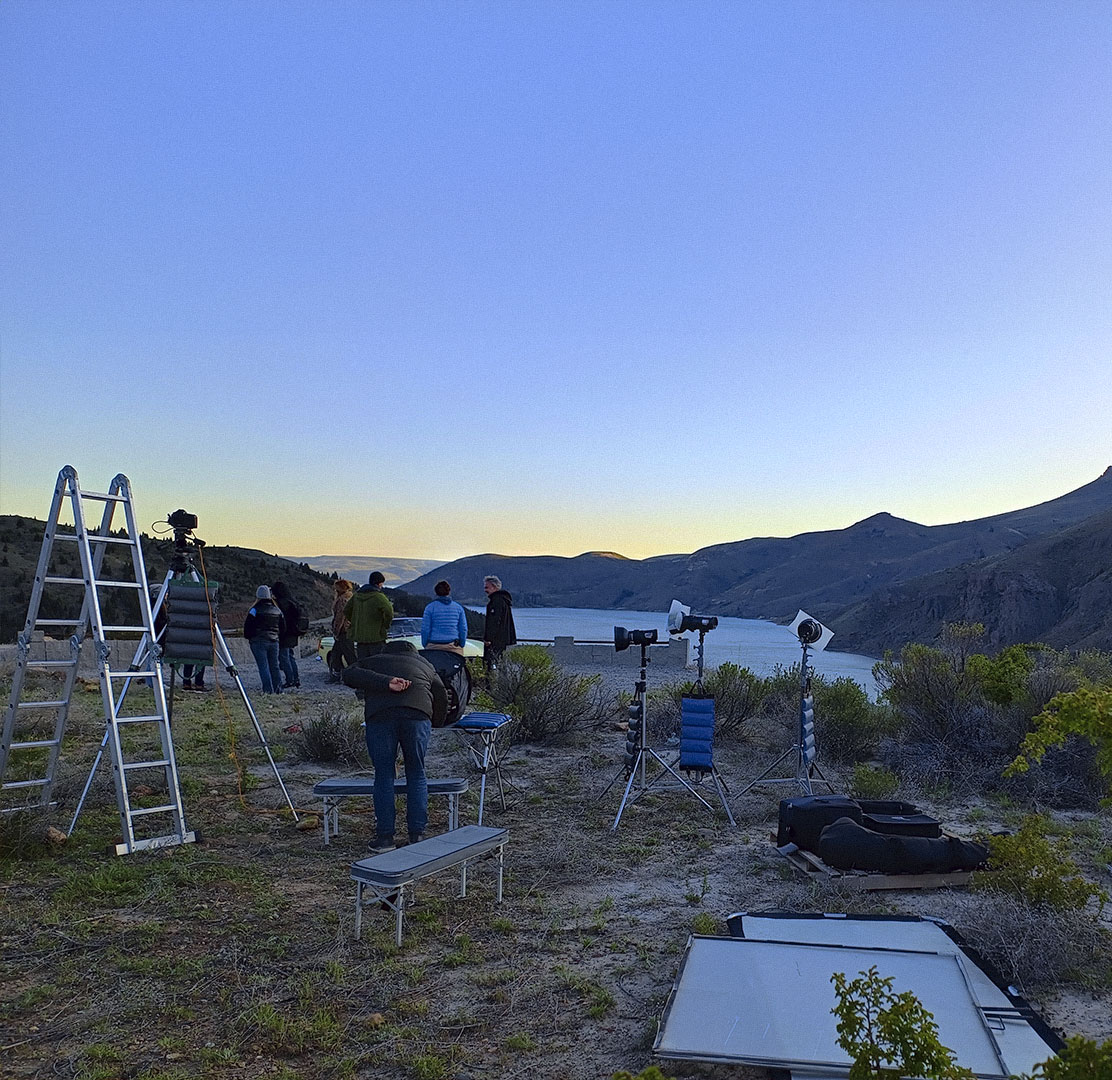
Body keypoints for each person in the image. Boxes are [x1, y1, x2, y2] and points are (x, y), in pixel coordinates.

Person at [342, 641, 447, 851]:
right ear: (413, 653)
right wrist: (437, 721)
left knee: (384, 775)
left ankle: (385, 839)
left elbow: (348, 674)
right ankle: (417, 835)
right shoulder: (425, 665)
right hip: (417, 717)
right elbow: (441, 694)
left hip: (381, 717)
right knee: (416, 772)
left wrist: (384, 682)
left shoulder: (374, 661)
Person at [244, 585, 285, 693]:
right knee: (274, 666)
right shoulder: (277, 610)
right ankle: (278, 689)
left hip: (258, 641)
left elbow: (248, 626)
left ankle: (268, 690)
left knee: (263, 667)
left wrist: (249, 637)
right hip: (274, 641)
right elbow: (283, 627)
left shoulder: (254, 610)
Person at [345, 571, 394, 658]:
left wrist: (354, 621)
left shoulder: (356, 596)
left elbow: (346, 610)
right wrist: (385, 624)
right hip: (376, 637)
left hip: (360, 638)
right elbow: (389, 611)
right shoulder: (378, 596)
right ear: (379, 583)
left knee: (363, 662)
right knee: (377, 662)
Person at [421, 580, 469, 653]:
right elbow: (463, 629)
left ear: (436, 592)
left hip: (433, 647)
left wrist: (425, 644)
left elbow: (425, 629)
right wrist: (461, 644)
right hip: (453, 647)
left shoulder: (430, 607)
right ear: (449, 591)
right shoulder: (458, 608)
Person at [270, 580, 302, 689]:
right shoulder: (292, 601)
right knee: (290, 656)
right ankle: (295, 679)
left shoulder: (281, 603)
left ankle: (290, 680)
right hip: (293, 633)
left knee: (284, 658)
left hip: (285, 633)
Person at [483, 575, 517, 671]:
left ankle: (490, 680)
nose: (485, 590)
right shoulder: (504, 601)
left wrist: (488, 639)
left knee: (489, 665)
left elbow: (494, 621)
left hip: (495, 641)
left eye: (487, 587)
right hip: (503, 639)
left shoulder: (496, 602)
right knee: (499, 664)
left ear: (494, 587)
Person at [329, 578, 357, 680]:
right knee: (338, 654)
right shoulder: (350, 597)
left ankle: (353, 675)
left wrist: (336, 631)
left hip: (344, 631)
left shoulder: (342, 600)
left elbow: (340, 617)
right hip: (347, 629)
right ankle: (342, 674)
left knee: (347, 654)